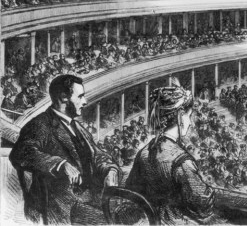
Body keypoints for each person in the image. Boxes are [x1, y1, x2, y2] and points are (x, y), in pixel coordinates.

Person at [10, 74, 121, 224]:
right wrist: (60, 164)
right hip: (61, 208)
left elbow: (96, 154)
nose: (85, 101)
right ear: (63, 97)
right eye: (80, 96)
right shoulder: (40, 124)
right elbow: (20, 152)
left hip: (87, 201)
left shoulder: (78, 127)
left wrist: (110, 169)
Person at [125, 78, 215, 224]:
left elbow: (132, 189)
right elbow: (202, 203)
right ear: (180, 116)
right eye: (189, 116)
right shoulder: (181, 161)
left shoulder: (144, 152)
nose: (190, 122)